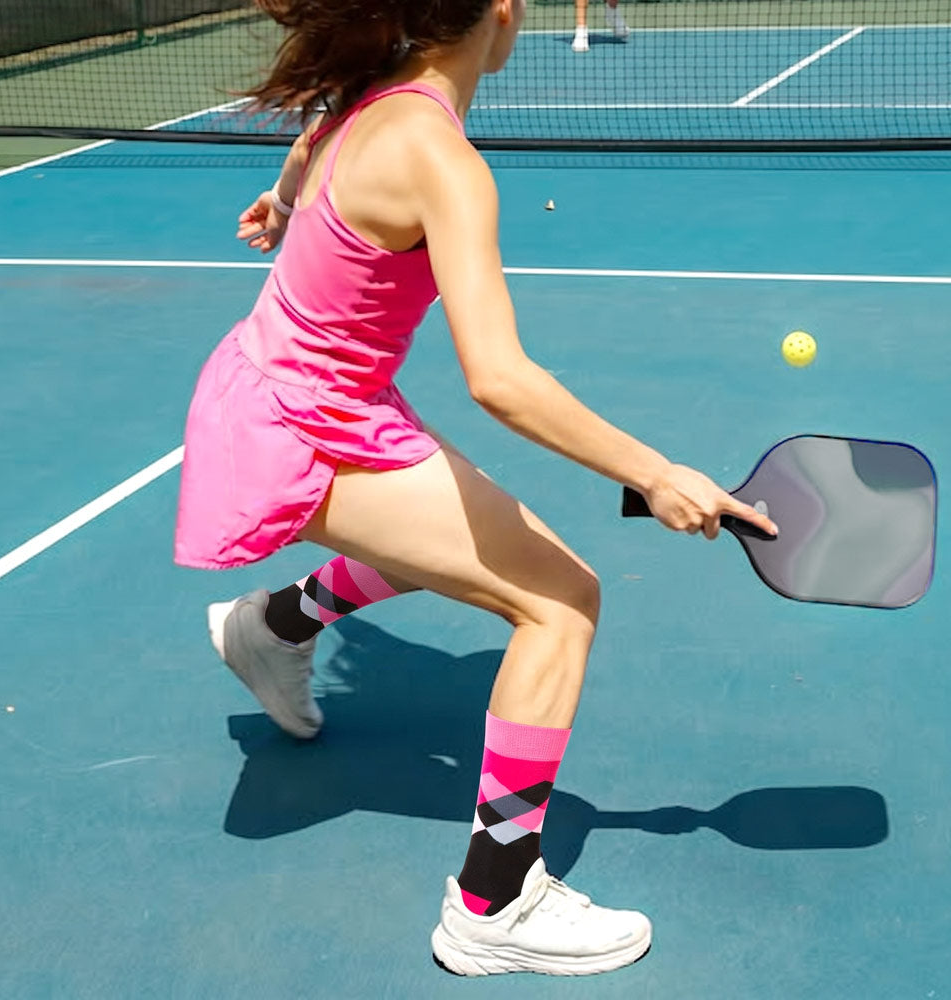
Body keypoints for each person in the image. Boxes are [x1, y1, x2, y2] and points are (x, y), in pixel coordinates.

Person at [174, 0, 776, 978]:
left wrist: (283, 205)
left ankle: (274, 627)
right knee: (560, 600)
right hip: (304, 429)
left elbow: (304, 154)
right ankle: (493, 903)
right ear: (498, 14)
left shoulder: (362, 97)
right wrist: (656, 473)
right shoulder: (441, 158)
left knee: (468, 528)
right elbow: (498, 378)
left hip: (281, 391)